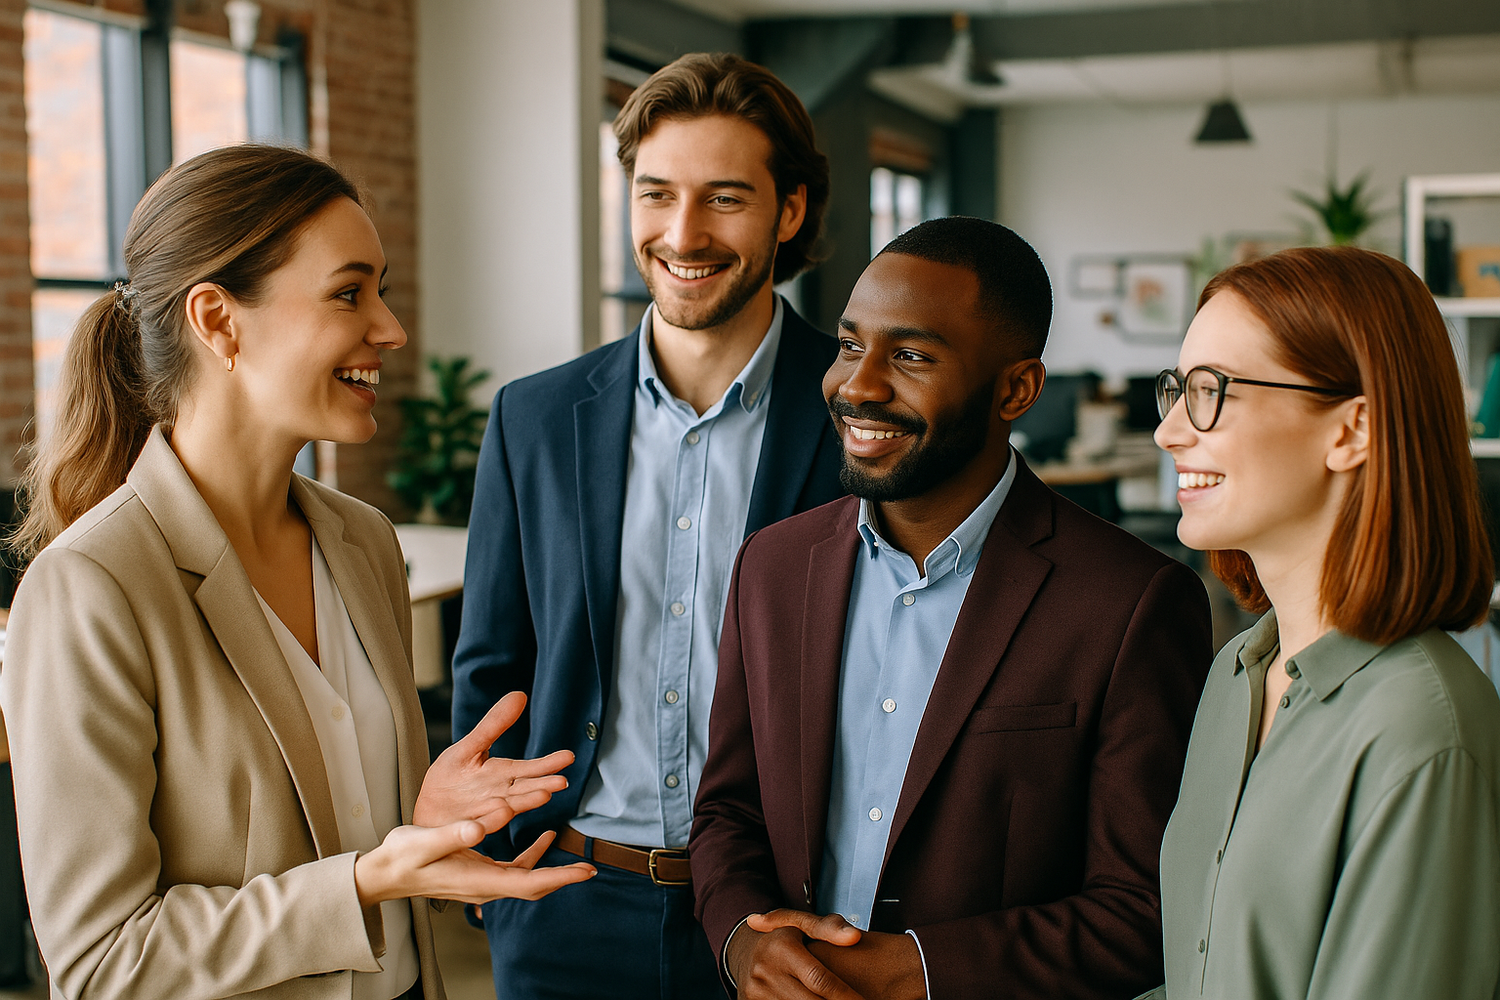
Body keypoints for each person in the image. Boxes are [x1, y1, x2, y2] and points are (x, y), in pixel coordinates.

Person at [0, 144, 595, 1000]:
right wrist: (367, 881)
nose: (389, 328)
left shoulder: (362, 542)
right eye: (349, 293)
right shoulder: (90, 587)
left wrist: (421, 829)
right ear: (218, 321)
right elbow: (102, 965)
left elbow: (350, 835)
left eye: (379, 290)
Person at [689, 216, 1214, 1000]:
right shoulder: (771, 566)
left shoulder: (1132, 603)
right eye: (848, 345)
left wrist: (916, 973)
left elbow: (1144, 908)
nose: (858, 384)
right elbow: (728, 812)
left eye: (910, 356)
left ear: (1016, 389)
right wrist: (743, 944)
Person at [450, 53, 843, 1000]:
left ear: (788, 213)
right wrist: (496, 879)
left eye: (725, 199)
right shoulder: (534, 418)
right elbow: (492, 664)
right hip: (565, 904)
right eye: (655, 193)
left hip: (785, 919)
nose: (683, 233)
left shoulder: (856, 412)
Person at [1146, 246, 1500, 999]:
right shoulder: (1238, 673)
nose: (1170, 431)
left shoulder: (1421, 731)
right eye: (1174, 391)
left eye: (1210, 392)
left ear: (1352, 431)